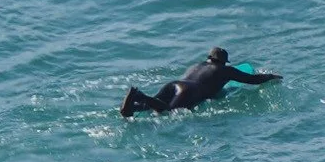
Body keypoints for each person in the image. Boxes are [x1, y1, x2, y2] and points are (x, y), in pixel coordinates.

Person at [120, 46, 282, 117]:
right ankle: (141, 96)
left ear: (209, 58)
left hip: (174, 84)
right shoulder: (224, 70)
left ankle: (130, 106)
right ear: (224, 61)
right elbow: (251, 80)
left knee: (152, 107)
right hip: (189, 91)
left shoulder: (196, 66)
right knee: (168, 111)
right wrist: (270, 77)